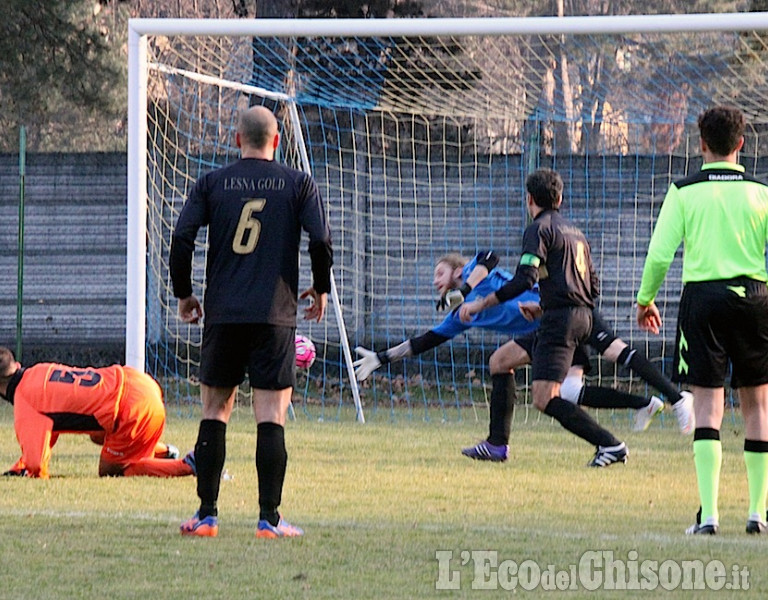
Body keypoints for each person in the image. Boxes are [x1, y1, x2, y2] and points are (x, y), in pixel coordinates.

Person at [354, 252, 691, 464]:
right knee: (530, 376)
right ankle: (641, 408)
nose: (434, 281)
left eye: (439, 273)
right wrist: (381, 359)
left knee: (597, 365)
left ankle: (663, 407)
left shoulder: (473, 270)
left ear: (457, 271)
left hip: (561, 314)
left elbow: (490, 258)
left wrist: (466, 291)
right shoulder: (459, 315)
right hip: (547, 330)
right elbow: (425, 341)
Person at [170, 105, 333, 538]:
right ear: (276, 141)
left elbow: (181, 237)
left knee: (214, 411)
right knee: (270, 416)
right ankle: (269, 520)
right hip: (274, 315)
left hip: (222, 314)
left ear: (236, 140)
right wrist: (321, 288)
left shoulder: (211, 182)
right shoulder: (298, 184)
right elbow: (320, 239)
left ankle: (206, 515)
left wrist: (184, 294)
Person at [636, 106, 768, 535]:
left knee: (708, 404)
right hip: (754, 298)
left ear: (702, 145)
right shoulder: (760, 192)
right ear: (742, 144)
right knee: (758, 405)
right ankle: (756, 513)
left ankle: (709, 516)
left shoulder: (684, 190)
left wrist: (645, 299)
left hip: (703, 301)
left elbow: (659, 254)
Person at [459, 168, 628, 467]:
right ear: (560, 198)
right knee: (500, 361)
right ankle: (496, 444)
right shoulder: (575, 233)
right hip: (575, 316)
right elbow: (594, 285)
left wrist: (480, 304)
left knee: (544, 397)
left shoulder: (538, 230)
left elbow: (525, 279)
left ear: (529, 199)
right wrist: (543, 306)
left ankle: (610, 444)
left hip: (561, 322)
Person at [0, 347, 194, 479]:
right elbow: (52, 422)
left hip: (133, 409)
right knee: (97, 436)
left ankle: (188, 465)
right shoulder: (37, 370)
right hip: (139, 382)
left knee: (114, 472)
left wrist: (27, 470)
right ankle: (164, 452)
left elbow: (35, 467)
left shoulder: (25, 402)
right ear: (16, 364)